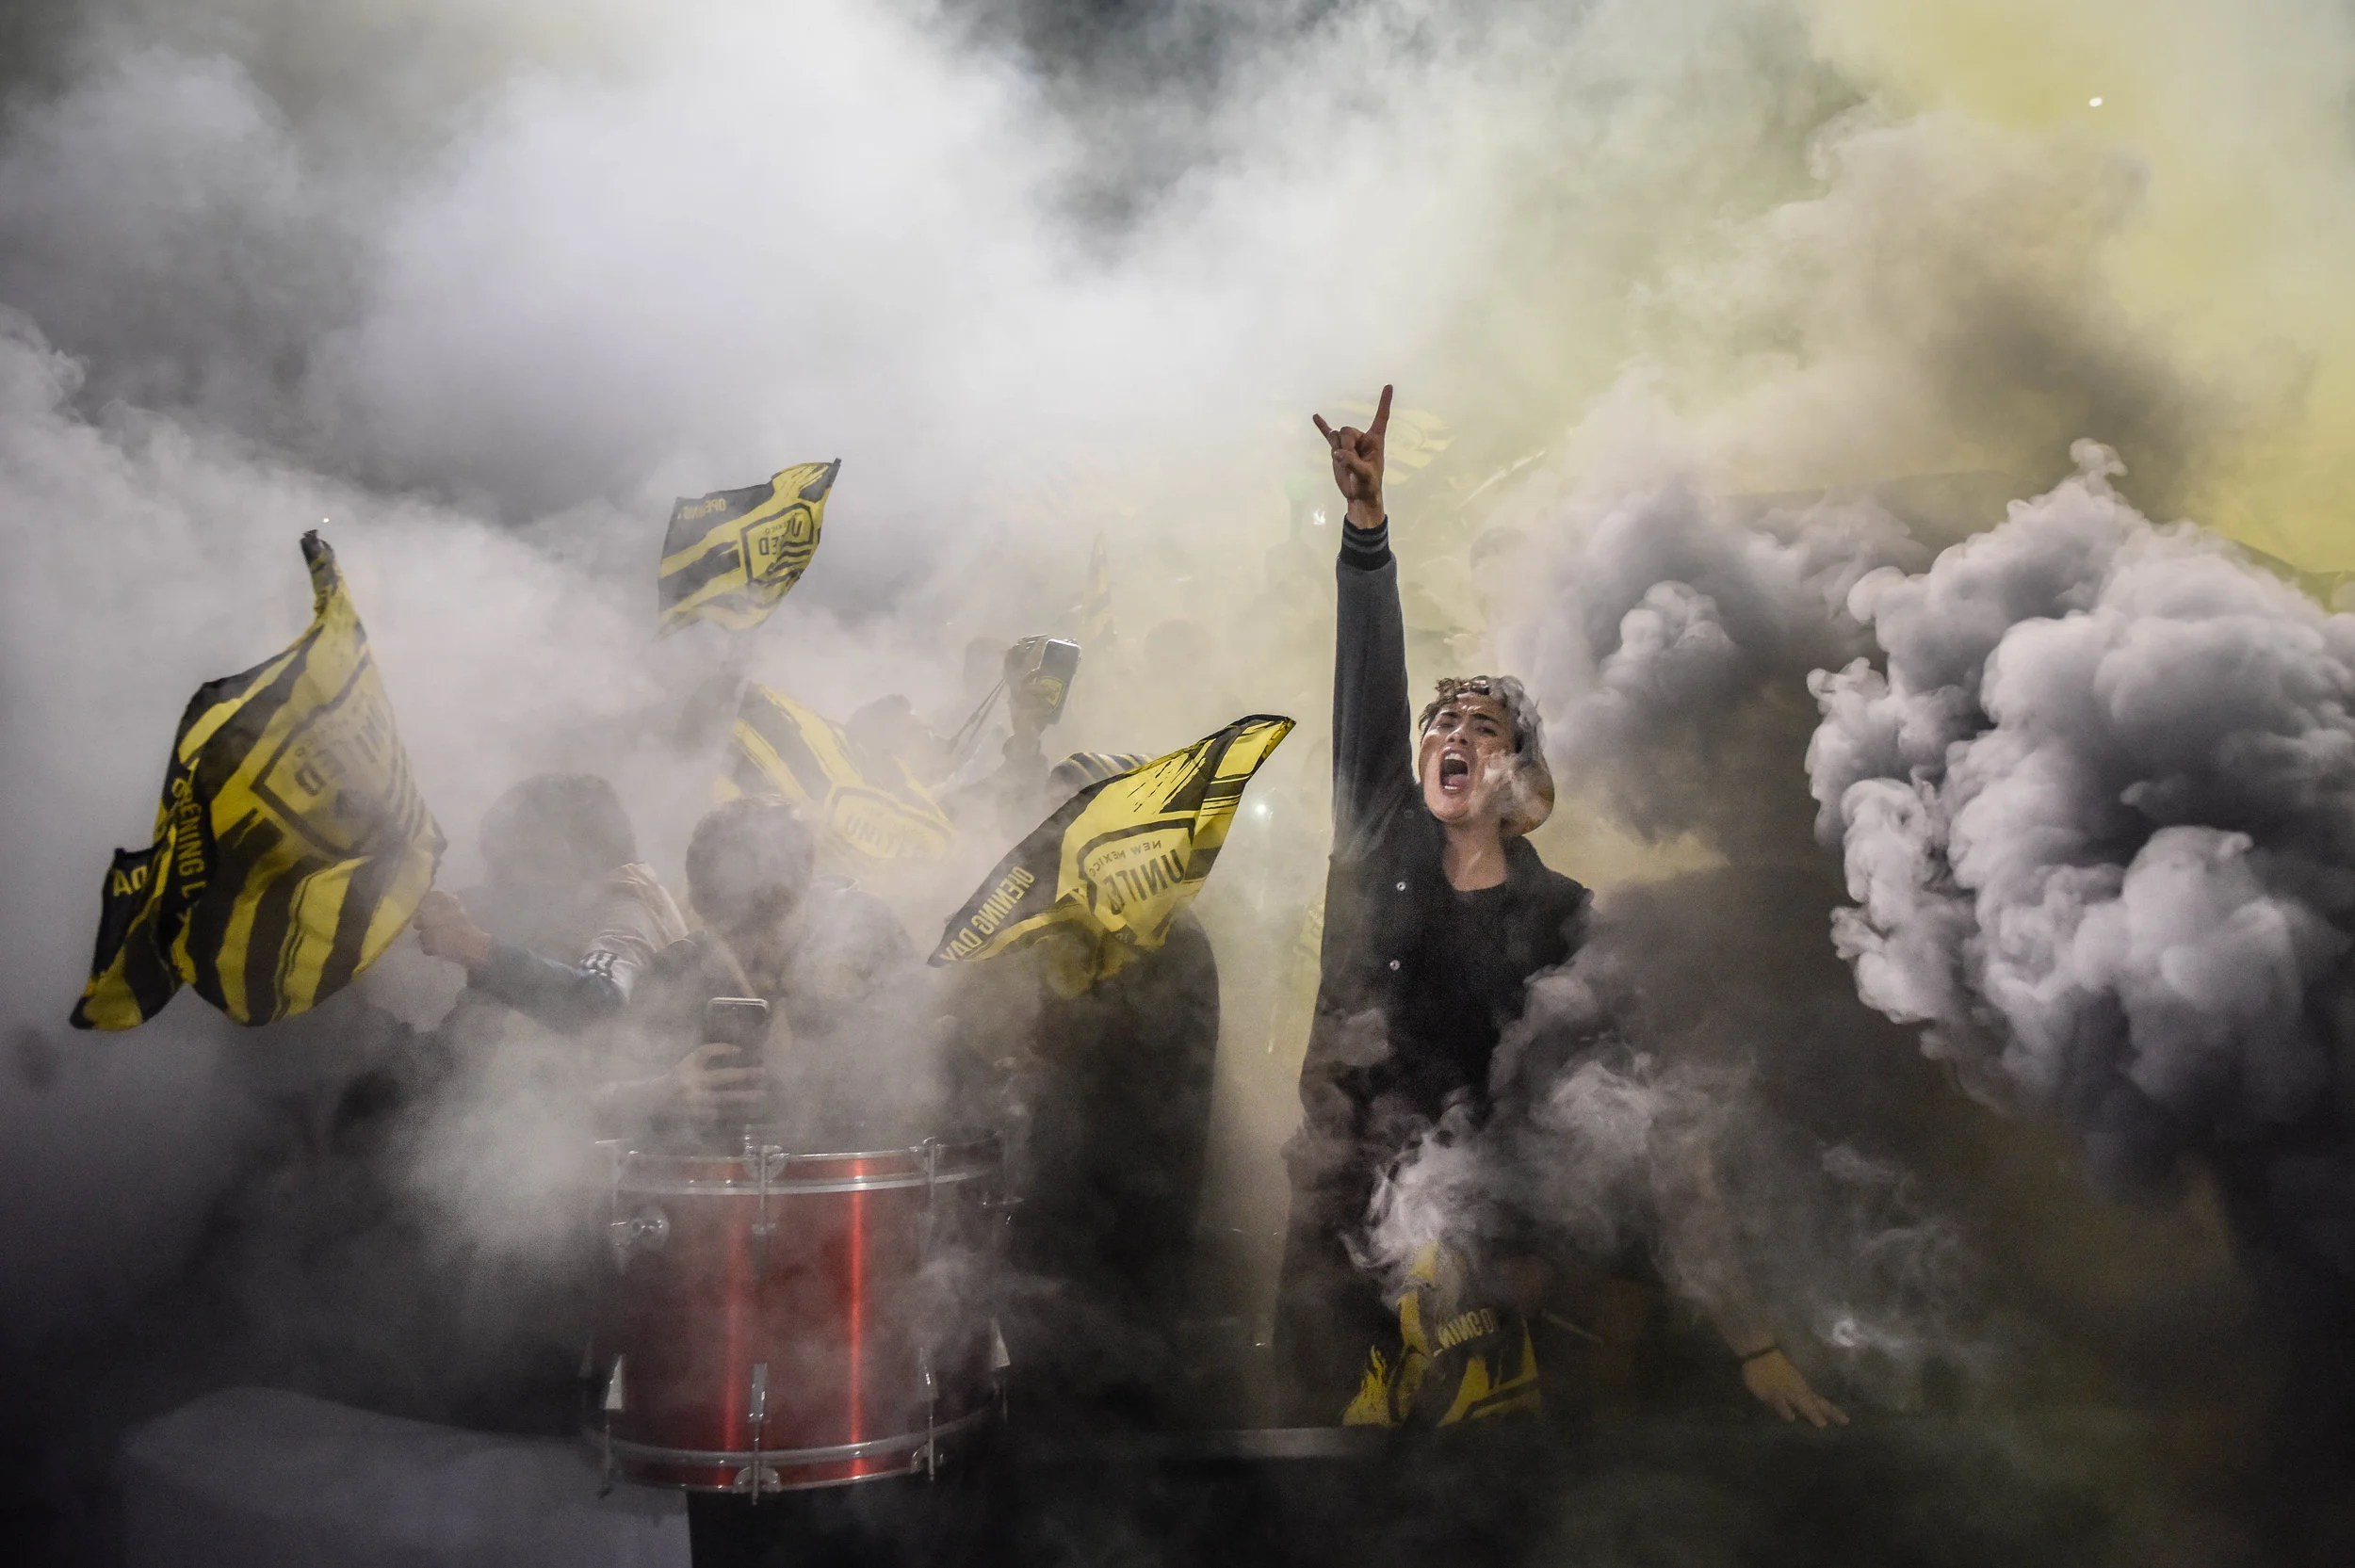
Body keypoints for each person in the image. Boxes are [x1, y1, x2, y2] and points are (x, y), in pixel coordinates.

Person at [1272, 385, 1844, 1431]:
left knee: (1475, 1490)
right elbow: (1368, 689)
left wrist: (1754, 1344)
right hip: (1340, 1259)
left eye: (1482, 726)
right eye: (1442, 721)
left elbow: (1656, 1137)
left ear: (1521, 781)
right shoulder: (1378, 847)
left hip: (1485, 1280)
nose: (1452, 732)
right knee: (1319, 1488)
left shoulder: (1566, 925)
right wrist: (1367, 529)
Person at [952, 751, 1223, 1429]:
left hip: (1117, 1254)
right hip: (1065, 1242)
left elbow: (1109, 1091)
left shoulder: (1160, 934)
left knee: (1104, 1432)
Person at [417, 794, 918, 1137]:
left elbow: (920, 1076)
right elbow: (581, 1090)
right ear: (701, 908)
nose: (756, 950)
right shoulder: (685, 970)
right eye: (734, 933)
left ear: (807, 887)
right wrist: (656, 1094)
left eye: (772, 927)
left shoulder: (866, 938)